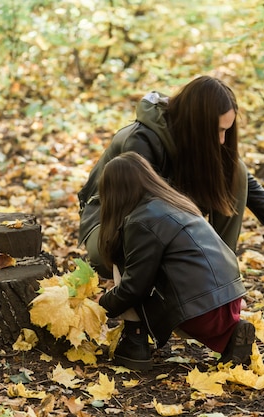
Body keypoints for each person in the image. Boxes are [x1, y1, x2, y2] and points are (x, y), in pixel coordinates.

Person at [78, 75, 264, 279]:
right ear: (195, 122)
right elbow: (142, 213)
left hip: (164, 223)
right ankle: (186, 286)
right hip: (110, 228)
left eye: (227, 130)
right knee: (150, 230)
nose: (222, 140)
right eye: (218, 131)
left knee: (235, 171)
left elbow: (250, 189)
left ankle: (222, 276)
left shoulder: (197, 137)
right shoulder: (141, 140)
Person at [96, 152, 254, 371]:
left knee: (123, 261)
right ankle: (231, 334)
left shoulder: (140, 221)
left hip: (201, 311)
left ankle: (135, 342)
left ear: (113, 193)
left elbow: (134, 287)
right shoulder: (176, 203)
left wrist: (100, 306)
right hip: (229, 299)